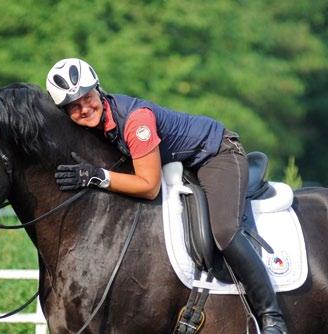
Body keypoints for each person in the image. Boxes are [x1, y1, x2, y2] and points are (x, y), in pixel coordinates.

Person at [46, 58, 288, 334]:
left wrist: (98, 177)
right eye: (74, 107)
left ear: (98, 89)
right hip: (180, 163)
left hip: (217, 154)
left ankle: (272, 317)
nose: (85, 108)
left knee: (225, 230)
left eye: (87, 97)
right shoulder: (96, 125)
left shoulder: (137, 121)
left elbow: (149, 186)